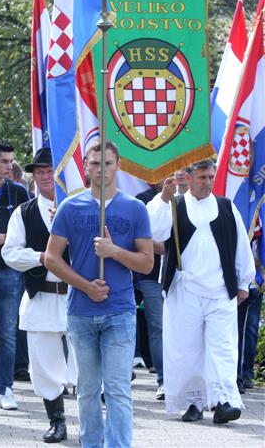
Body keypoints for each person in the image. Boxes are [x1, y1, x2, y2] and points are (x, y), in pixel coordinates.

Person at [44, 141, 153, 448]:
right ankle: (91, 443)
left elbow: (146, 263)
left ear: (118, 166)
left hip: (120, 310)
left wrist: (114, 251)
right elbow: (51, 258)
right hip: (80, 311)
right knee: (88, 388)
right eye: (94, 163)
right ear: (86, 167)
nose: (101, 169)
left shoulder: (135, 209)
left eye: (107, 163)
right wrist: (85, 286)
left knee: (117, 387)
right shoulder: (70, 207)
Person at [146, 159, 255, 424]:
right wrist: (164, 197)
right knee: (187, 348)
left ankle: (222, 402)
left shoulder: (226, 206)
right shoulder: (175, 205)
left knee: (222, 346)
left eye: (210, 177)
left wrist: (243, 282)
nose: (207, 182)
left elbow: (240, 244)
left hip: (220, 290)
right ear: (189, 177)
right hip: (184, 289)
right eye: (202, 177)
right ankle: (192, 402)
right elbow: (154, 231)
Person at [2, 147, 73, 443]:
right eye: (40, 172)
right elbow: (10, 253)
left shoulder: (81, 207)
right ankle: (57, 420)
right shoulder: (24, 212)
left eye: (50, 171)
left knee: (84, 366)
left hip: (76, 297)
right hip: (41, 296)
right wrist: (43, 256)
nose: (45, 177)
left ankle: (93, 420)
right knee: (44, 366)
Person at [0, 138, 30, 409]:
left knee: (7, 332)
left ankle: (5, 387)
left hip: (10, 272)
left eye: (12, 161)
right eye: (4, 161)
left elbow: (26, 232)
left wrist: (0, 239)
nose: (10, 166)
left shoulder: (19, 193)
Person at [134, 182, 166, 400]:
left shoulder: (184, 199)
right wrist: (171, 247)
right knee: (158, 326)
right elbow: (140, 241)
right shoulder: (142, 200)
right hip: (152, 276)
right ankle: (164, 379)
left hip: (181, 277)